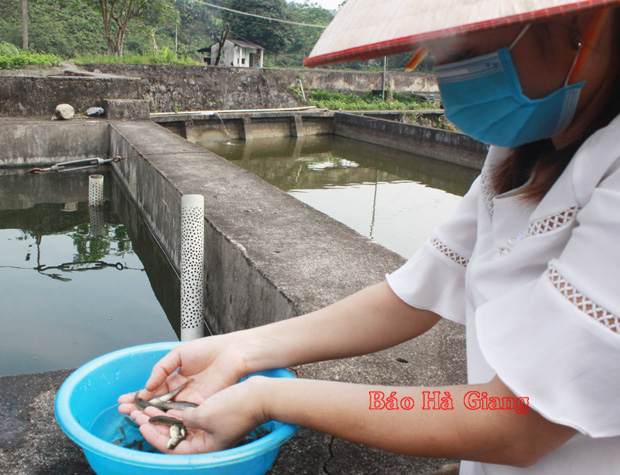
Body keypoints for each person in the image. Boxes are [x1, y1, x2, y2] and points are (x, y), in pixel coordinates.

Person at [119, 1, 620, 472]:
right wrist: (240, 351)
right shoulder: (518, 148)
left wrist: (264, 398)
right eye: (438, 58)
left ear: (581, 23)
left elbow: (515, 421)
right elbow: (414, 294)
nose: (450, 83)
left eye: (466, 54)